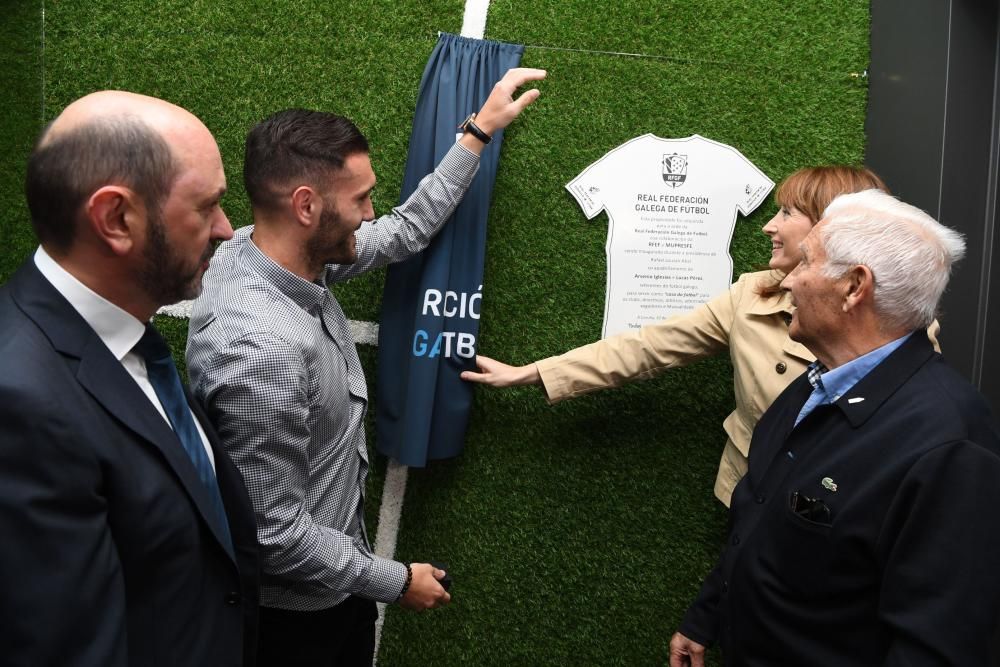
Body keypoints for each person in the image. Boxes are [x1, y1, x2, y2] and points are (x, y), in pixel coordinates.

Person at [186, 67, 546, 665]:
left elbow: (402, 231)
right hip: (296, 624)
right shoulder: (261, 350)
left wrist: (477, 132)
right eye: (359, 199)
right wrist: (396, 580)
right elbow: (274, 536)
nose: (369, 211)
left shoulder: (275, 253)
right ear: (307, 206)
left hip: (328, 593)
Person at [461, 166, 939, 507]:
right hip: (751, 496)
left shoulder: (904, 335)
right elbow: (647, 348)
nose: (770, 226)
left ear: (831, 229)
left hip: (838, 515)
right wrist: (535, 373)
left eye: (788, 213)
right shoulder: (751, 296)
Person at [668, 189, 1000, 666]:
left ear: (853, 287)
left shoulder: (951, 444)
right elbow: (759, 517)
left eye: (806, 265)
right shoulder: (813, 383)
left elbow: (938, 646)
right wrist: (707, 616)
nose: (789, 283)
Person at [0, 91, 259, 666]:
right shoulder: (19, 399)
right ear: (116, 219)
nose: (224, 229)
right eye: (207, 206)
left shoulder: (122, 340)